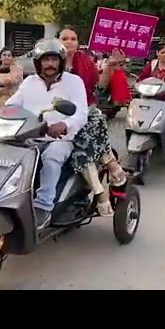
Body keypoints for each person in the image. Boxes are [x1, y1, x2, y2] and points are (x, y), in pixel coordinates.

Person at [6, 39, 89, 229]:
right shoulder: (29, 82)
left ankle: (43, 204)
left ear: (60, 61)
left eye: (54, 60)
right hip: (29, 135)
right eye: (45, 60)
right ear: (38, 62)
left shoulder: (74, 82)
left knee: (52, 156)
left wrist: (64, 124)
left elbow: (82, 113)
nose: (50, 64)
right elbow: (12, 105)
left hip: (60, 139)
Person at [59, 27, 127, 216]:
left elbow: (100, 86)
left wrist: (109, 66)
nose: (69, 41)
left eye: (73, 38)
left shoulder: (85, 60)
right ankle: (111, 164)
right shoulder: (50, 61)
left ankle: (99, 192)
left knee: (83, 142)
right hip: (58, 116)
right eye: (65, 38)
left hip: (87, 111)